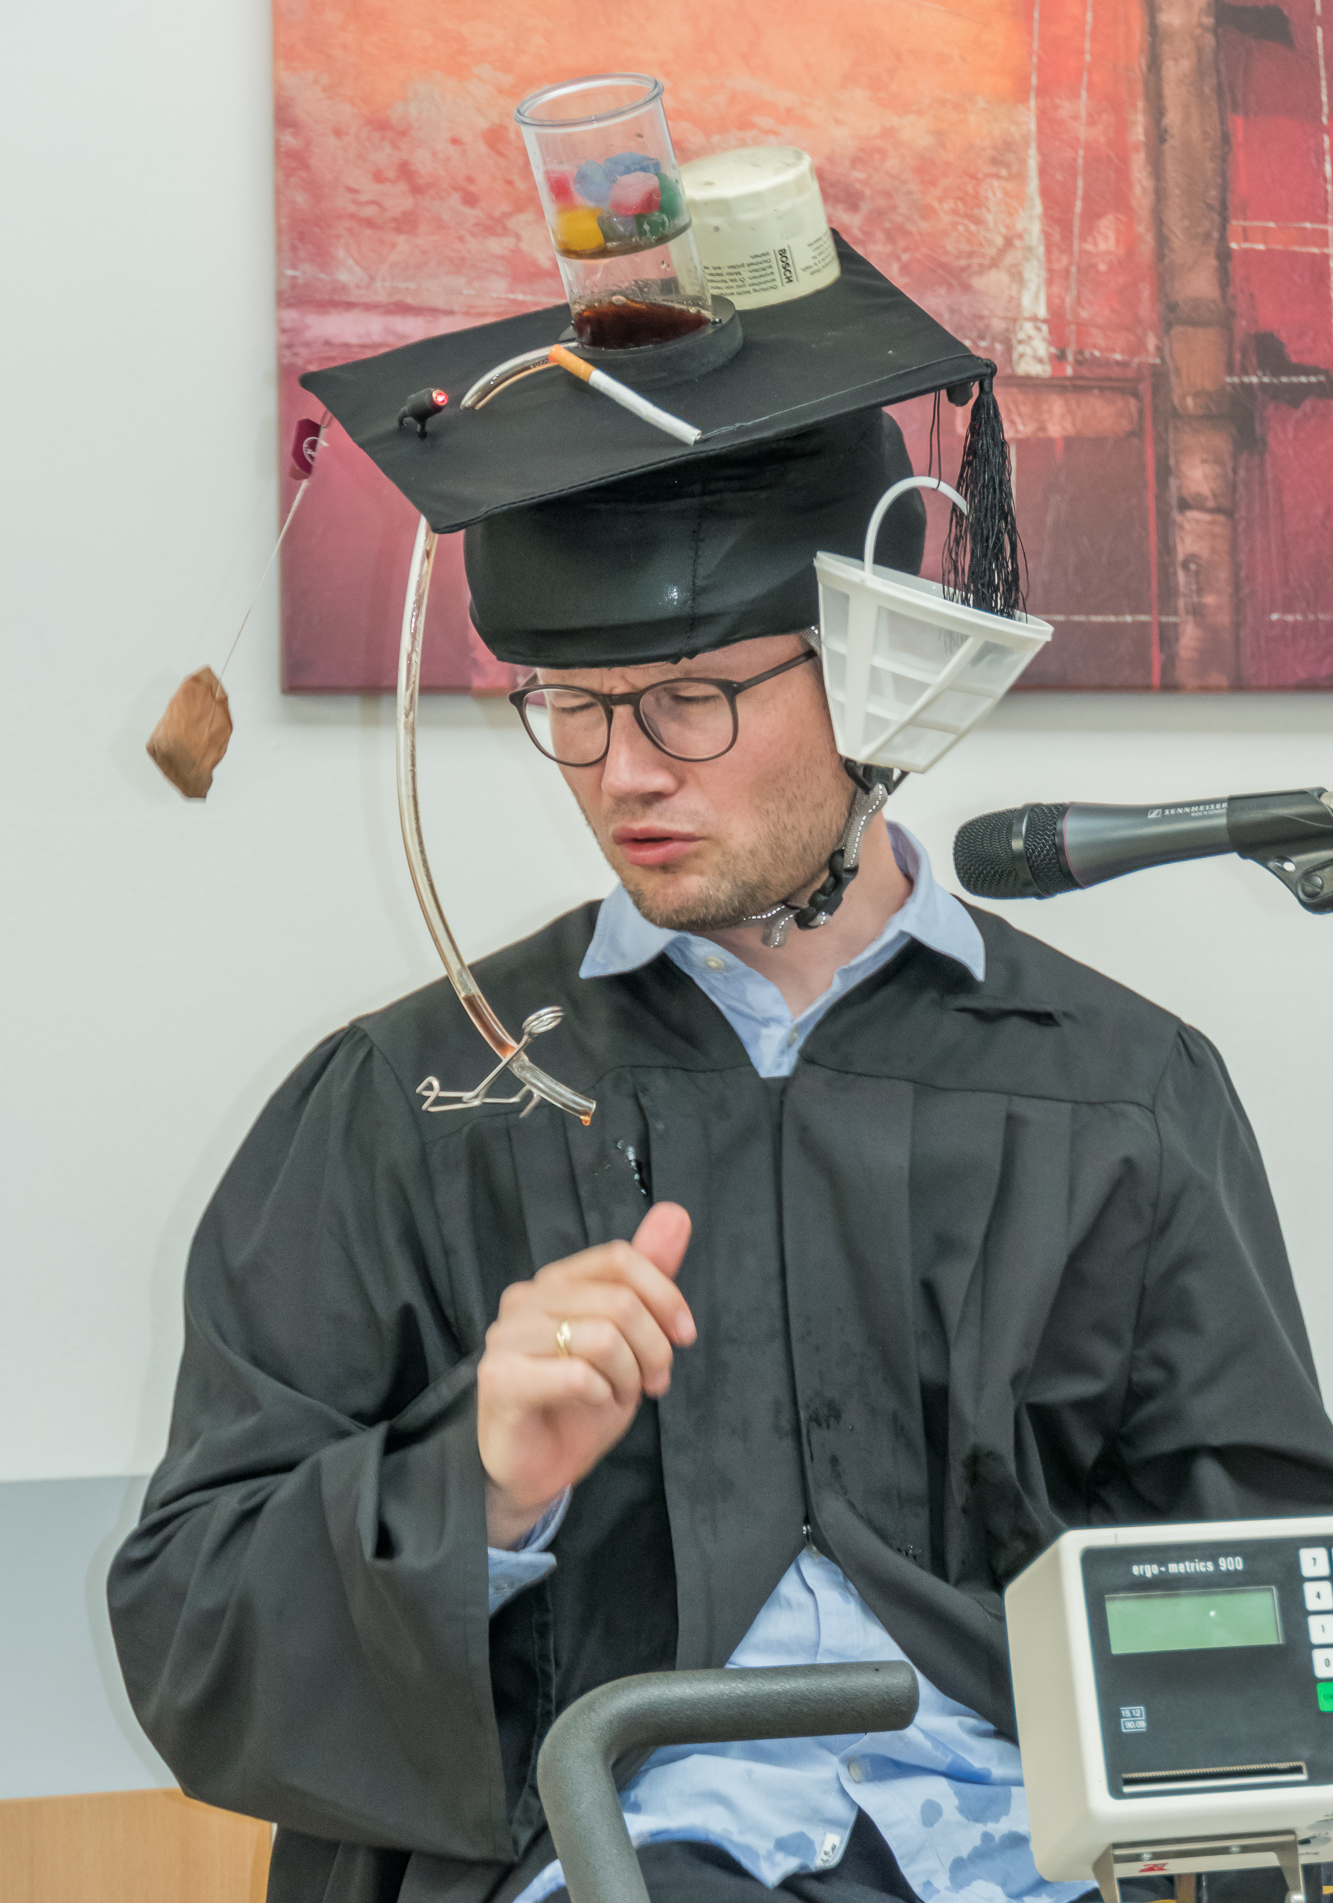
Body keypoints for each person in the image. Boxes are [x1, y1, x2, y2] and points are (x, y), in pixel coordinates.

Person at [109, 255, 1333, 1903]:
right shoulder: (412, 1103)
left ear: (871, 669)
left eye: (689, 701)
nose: (623, 773)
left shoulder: (1114, 1096)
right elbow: (194, 1623)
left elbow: (1260, 1589)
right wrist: (475, 1483)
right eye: (575, 709)